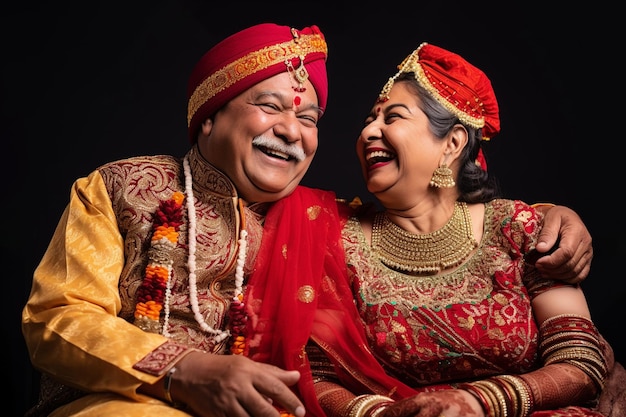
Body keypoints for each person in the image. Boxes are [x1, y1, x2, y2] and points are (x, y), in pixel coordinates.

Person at [21, 24, 594, 417]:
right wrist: (185, 370)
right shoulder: (122, 187)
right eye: (270, 106)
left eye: (311, 117)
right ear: (208, 119)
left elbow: (442, 226)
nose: (294, 130)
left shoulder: (331, 222)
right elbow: (55, 318)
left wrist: (550, 217)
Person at [303, 42, 621, 417]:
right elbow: (313, 374)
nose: (369, 130)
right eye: (370, 120)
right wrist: (380, 414)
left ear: (452, 144)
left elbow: (580, 361)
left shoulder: (519, 229)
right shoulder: (331, 238)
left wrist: (479, 402)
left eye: (393, 117)